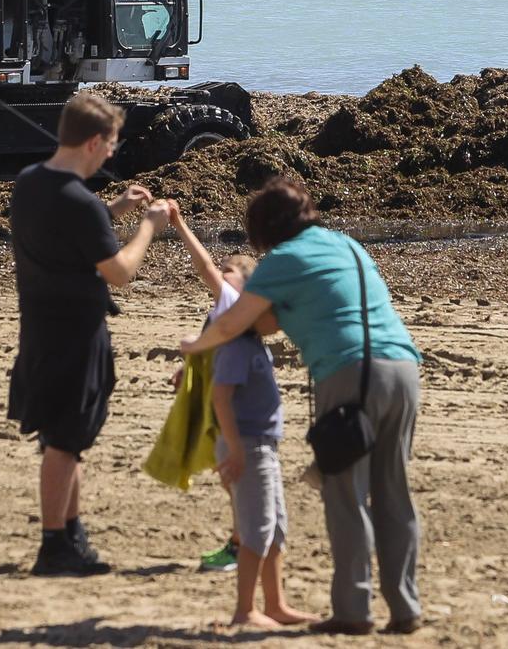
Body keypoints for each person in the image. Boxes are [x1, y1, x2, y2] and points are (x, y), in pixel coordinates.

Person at [179, 174, 423, 636]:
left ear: (264, 231)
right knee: (394, 493)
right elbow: (277, 321)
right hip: (405, 368)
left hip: (350, 374)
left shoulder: (281, 261)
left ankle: (353, 610)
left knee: (346, 493)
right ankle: (405, 607)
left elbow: (235, 324)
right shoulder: (345, 243)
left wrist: (196, 346)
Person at [7, 91, 172, 577]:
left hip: (40, 326)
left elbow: (67, 224)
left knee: (67, 438)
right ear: (95, 142)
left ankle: (71, 534)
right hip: (75, 332)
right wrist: (148, 227)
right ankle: (54, 545)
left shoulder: (30, 182)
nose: (113, 152)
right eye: (112, 144)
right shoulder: (78, 203)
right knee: (64, 441)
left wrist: (112, 210)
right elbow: (119, 271)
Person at [168, 206, 311, 628]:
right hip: (245, 441)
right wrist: (179, 225)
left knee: (274, 529)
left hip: (261, 441)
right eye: (226, 269)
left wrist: (192, 363)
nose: (224, 273)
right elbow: (205, 266)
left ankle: (275, 604)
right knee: (256, 528)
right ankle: (245, 610)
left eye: (235, 269)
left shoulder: (237, 324)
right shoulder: (231, 312)